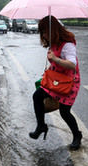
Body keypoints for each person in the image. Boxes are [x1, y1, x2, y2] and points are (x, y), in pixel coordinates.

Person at [30, 15, 82, 150]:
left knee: (65, 112)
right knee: (37, 96)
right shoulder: (54, 44)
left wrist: (55, 59)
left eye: (45, 32)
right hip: (55, 80)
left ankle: (77, 135)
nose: (44, 36)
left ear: (53, 30)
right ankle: (41, 125)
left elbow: (71, 64)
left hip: (68, 82)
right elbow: (55, 63)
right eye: (42, 33)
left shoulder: (68, 44)